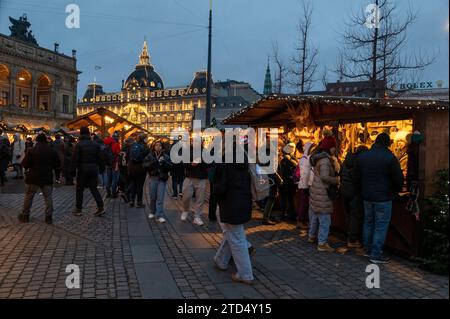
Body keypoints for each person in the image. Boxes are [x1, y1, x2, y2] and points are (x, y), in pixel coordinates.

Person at [356, 133, 404, 264]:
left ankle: (367, 249)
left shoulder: (363, 156)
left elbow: (356, 176)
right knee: (380, 226)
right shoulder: (389, 157)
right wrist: (396, 189)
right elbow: (399, 179)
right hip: (383, 196)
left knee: (368, 222)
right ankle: (376, 253)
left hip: (367, 195)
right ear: (387, 143)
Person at [213, 143, 254, 285]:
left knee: (237, 239)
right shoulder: (245, 164)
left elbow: (219, 189)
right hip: (243, 203)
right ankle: (221, 260)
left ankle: (245, 274)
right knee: (233, 233)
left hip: (229, 205)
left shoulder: (224, 165)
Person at [17, 133, 60, 224]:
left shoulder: (31, 150)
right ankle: (48, 217)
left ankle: (25, 216)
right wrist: (57, 177)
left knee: (29, 196)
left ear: (37, 140)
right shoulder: (52, 151)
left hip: (33, 177)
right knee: (48, 197)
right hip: (47, 176)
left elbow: (24, 164)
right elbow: (57, 165)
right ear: (46, 140)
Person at [308, 134, 340, 252]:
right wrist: (336, 180)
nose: (335, 150)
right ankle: (322, 243)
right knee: (325, 220)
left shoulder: (319, 158)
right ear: (329, 147)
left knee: (316, 215)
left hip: (316, 190)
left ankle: (311, 236)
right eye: (333, 147)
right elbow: (325, 177)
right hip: (322, 192)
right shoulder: (326, 160)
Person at [70, 127, 105, 216]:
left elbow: (74, 159)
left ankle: (78, 209)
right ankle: (100, 207)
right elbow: (100, 158)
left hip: (82, 170)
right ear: (89, 134)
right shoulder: (95, 144)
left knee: (79, 190)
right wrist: (101, 168)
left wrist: (73, 171)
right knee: (94, 189)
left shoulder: (78, 145)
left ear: (81, 134)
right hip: (93, 169)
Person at [341, 145, 367, 248]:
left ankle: (348, 236)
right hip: (354, 191)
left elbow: (340, 173)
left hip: (344, 189)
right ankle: (352, 240)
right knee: (355, 216)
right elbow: (358, 179)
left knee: (348, 214)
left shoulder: (346, 161)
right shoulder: (358, 163)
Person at [143, 140, 172, 223]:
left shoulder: (166, 156)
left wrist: (164, 163)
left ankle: (160, 215)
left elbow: (170, 166)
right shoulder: (150, 156)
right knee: (153, 197)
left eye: (160, 145)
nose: (158, 147)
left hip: (162, 179)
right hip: (153, 178)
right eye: (156, 145)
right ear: (153, 146)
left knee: (160, 197)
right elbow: (144, 165)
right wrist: (154, 162)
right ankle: (152, 211)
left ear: (162, 147)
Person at [181, 144, 209, 226]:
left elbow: (211, 163)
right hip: (189, 177)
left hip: (201, 177)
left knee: (200, 198)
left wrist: (201, 162)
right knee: (186, 196)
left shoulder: (205, 151)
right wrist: (191, 164)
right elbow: (183, 163)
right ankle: (185, 210)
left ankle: (197, 216)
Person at [127, 134, 150, 208]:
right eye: (146, 138)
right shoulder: (145, 147)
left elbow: (128, 156)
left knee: (133, 184)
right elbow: (147, 158)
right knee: (140, 186)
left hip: (132, 168)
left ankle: (132, 201)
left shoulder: (133, 146)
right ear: (143, 139)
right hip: (141, 168)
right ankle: (139, 202)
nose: (147, 139)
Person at [296, 142, 315, 230]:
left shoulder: (305, 158)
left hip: (304, 184)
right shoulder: (306, 158)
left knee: (304, 204)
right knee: (303, 204)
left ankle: (302, 221)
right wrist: (306, 184)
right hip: (304, 185)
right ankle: (300, 221)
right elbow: (304, 173)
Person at [278, 142, 298, 220]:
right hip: (289, 182)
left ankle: (283, 214)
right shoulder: (292, 160)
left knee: (284, 199)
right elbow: (296, 170)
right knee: (290, 199)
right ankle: (290, 214)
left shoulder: (282, 160)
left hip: (283, 182)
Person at [104, 132, 121, 198]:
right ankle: (113, 193)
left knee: (108, 179)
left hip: (108, 164)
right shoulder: (116, 144)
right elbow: (117, 155)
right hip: (114, 164)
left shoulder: (106, 142)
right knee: (115, 179)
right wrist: (117, 165)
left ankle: (108, 193)